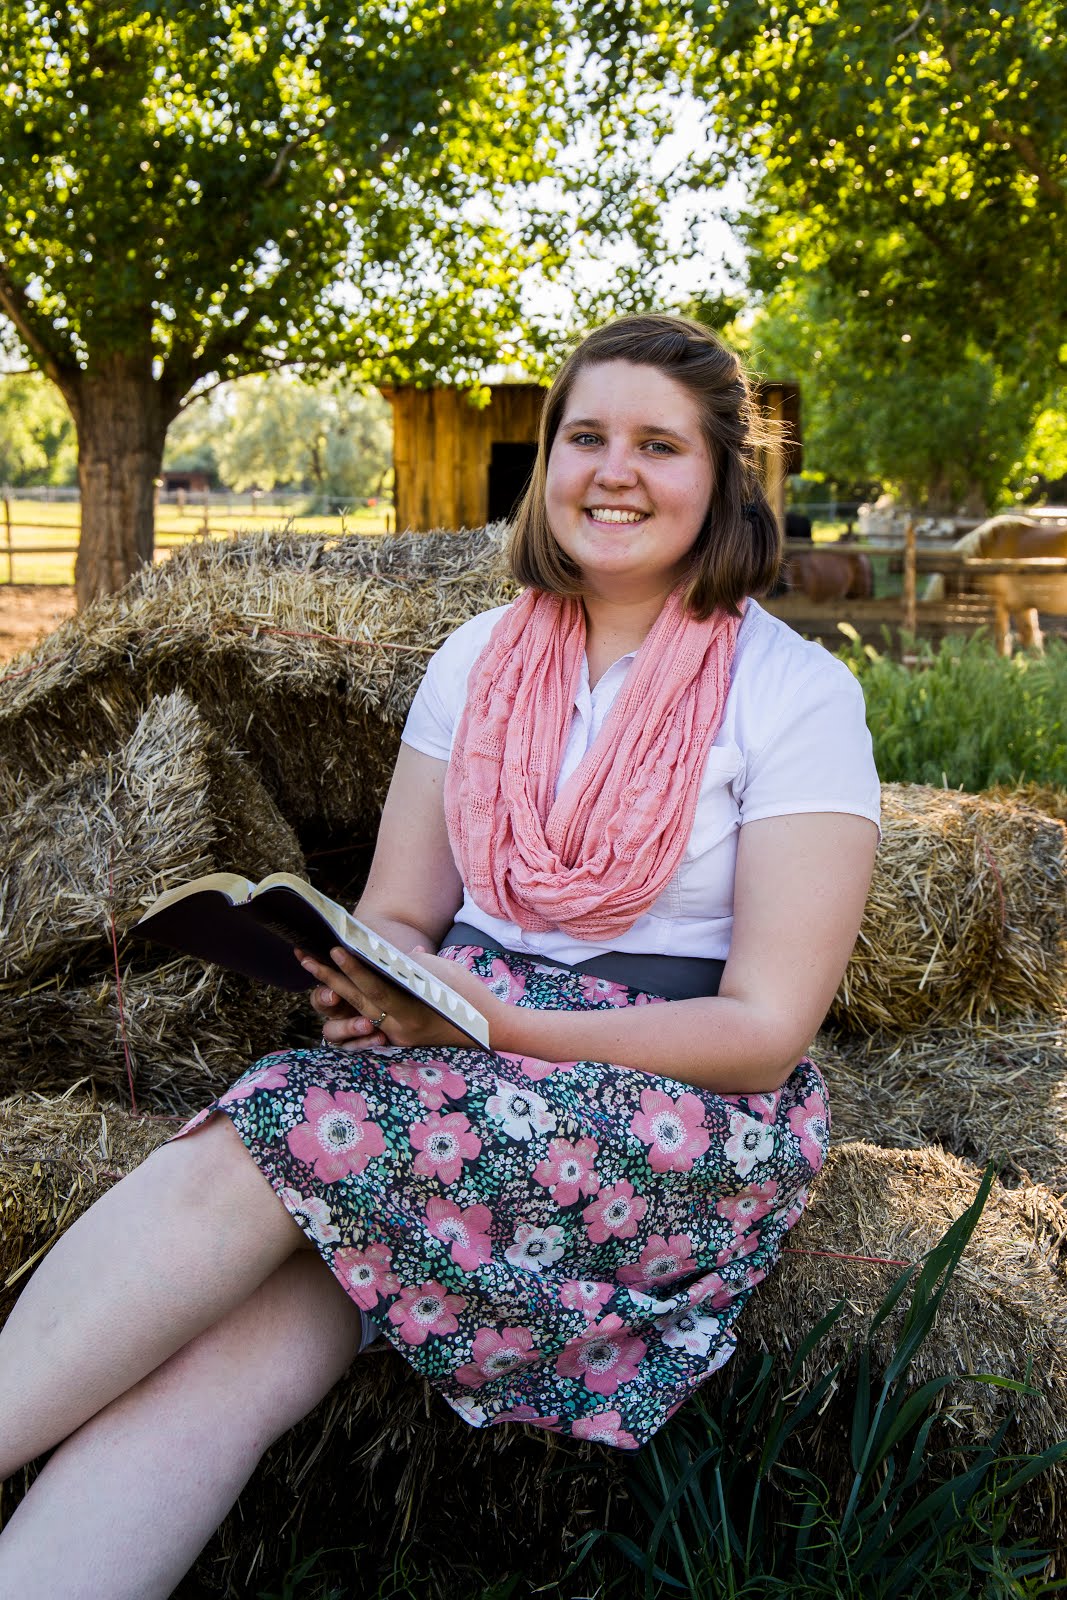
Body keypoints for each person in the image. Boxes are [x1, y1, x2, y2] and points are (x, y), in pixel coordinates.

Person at [0, 313, 880, 1598]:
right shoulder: (478, 661)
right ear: (546, 463)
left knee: (272, 1133)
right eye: (584, 436)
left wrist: (488, 1023)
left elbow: (762, 1030)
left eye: (658, 444)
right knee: (240, 1351)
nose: (611, 470)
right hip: (455, 1068)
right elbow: (405, 911)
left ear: (722, 481)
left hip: (673, 1110)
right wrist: (380, 982)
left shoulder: (793, 695)